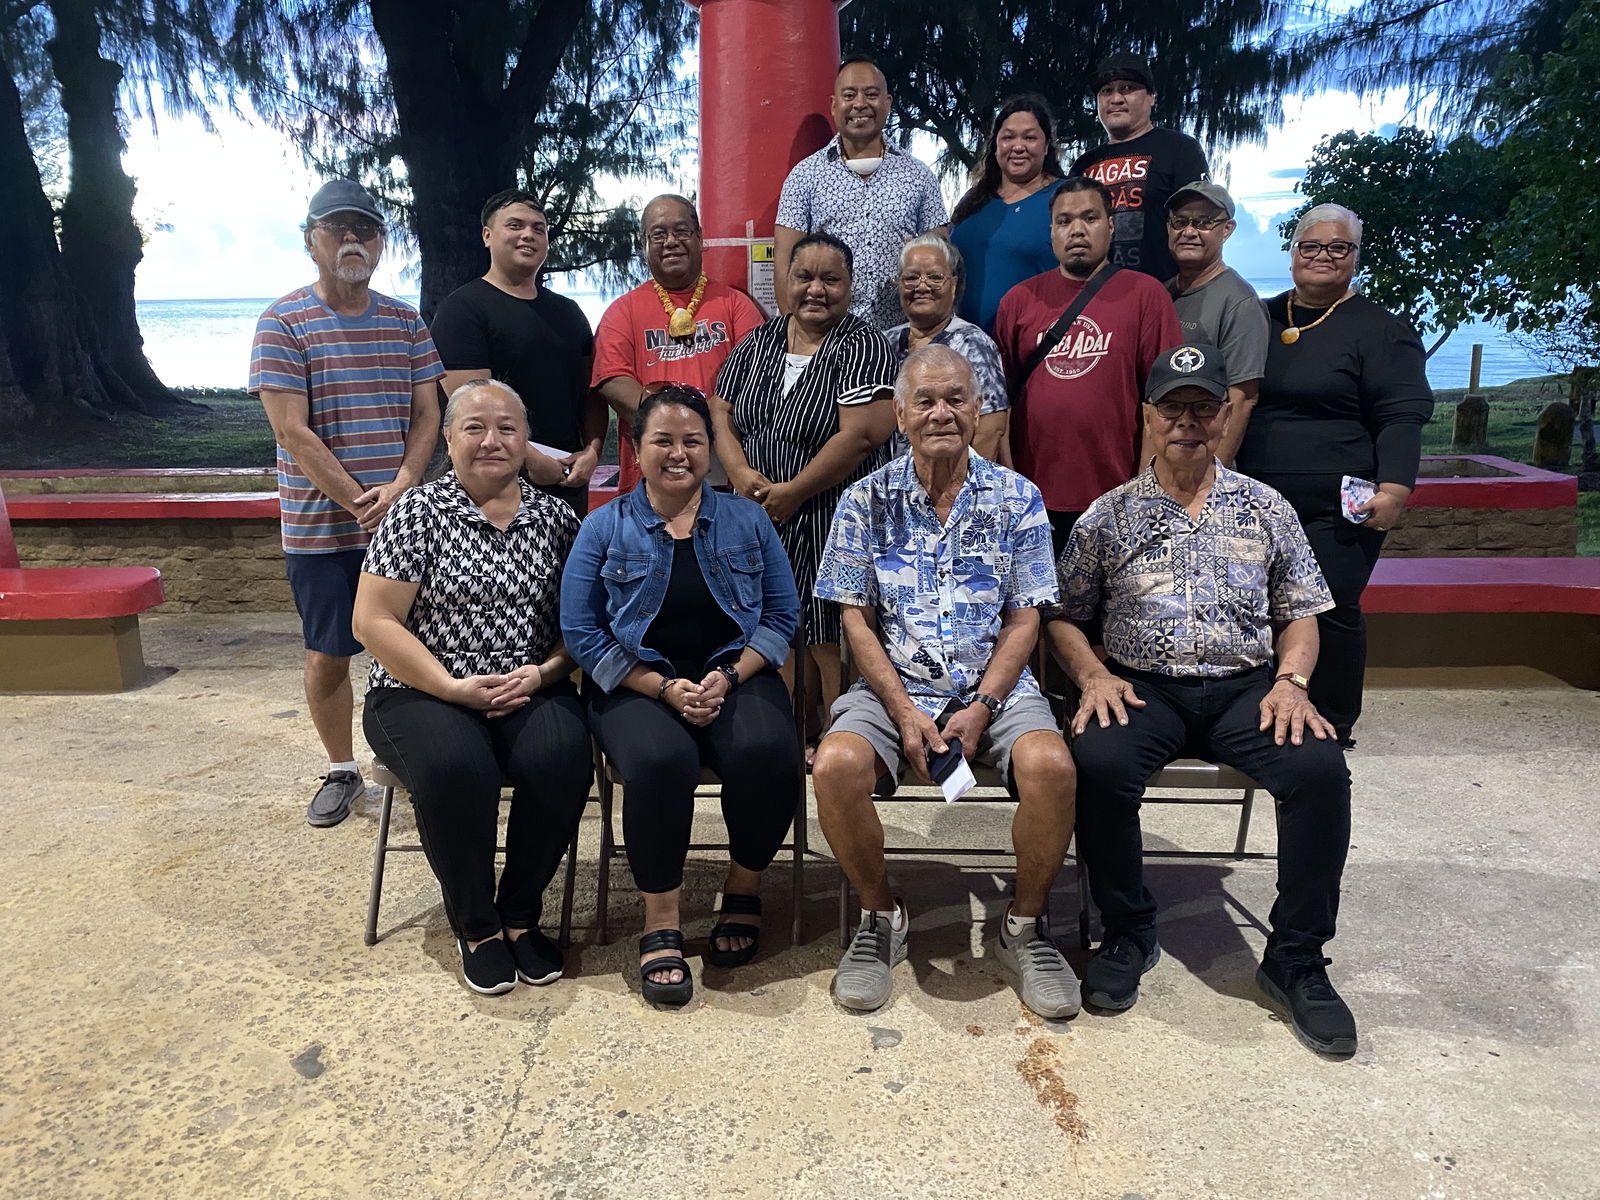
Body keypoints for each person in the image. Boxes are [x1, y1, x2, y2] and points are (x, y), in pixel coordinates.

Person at [1046, 342, 1357, 1056]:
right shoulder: (1108, 516)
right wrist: (1093, 677)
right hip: (1142, 688)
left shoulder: (1266, 507)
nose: (1186, 420)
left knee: (1319, 769)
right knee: (1097, 762)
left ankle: (1297, 957)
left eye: (1202, 407)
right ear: (1147, 415)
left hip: (1248, 688)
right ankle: (1128, 929)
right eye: (1172, 407)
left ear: (1224, 415)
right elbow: (1063, 615)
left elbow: (1302, 611)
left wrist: (1292, 683)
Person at [811, 345, 1079, 1018]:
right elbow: (856, 620)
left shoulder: (1018, 498)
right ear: (901, 416)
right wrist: (903, 711)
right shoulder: (863, 500)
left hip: (996, 687)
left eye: (956, 399)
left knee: (1052, 766)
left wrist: (984, 704)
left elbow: (1026, 618)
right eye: (925, 401)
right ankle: (881, 916)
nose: (941, 413)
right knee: (835, 766)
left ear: (978, 409)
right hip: (894, 686)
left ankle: (1025, 928)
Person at [560, 385, 803, 1006]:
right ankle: (661, 918)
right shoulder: (604, 527)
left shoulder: (748, 519)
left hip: (735, 672)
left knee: (766, 750)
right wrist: (663, 686)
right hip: (637, 679)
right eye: (662, 441)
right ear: (636, 448)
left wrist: (731, 676)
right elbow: (582, 632)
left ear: (709, 448)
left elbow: (782, 614)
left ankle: (743, 888)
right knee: (660, 761)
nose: (678, 453)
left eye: (692, 441)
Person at [354, 380, 591, 996]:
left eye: (507, 428)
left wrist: (544, 673)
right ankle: (478, 926)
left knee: (563, 758)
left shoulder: (558, 520)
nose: (492, 441)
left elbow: (582, 625)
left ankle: (519, 913)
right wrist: (450, 687)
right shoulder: (416, 513)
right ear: (450, 439)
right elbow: (373, 621)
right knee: (458, 768)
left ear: (526, 439)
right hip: (420, 686)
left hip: (527, 682)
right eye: (474, 428)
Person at [249, 179, 443, 829]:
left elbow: (428, 415)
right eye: (337, 228)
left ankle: (421, 760)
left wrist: (405, 485)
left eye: (366, 228)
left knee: (414, 647)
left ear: (382, 243)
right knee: (329, 653)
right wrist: (363, 503)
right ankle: (341, 769)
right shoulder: (283, 322)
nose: (353, 239)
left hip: (404, 521)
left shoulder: (406, 322)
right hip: (322, 530)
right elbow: (291, 431)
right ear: (311, 241)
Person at [1235, 203, 1434, 746]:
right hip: (1257, 500)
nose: (1322, 256)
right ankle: (1265, 712)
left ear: (1355, 256)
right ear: (1292, 253)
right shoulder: (1260, 318)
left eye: (1338, 247)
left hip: (1340, 504)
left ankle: (1333, 723)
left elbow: (1401, 415)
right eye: (1311, 245)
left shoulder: (1381, 330)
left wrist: (1395, 489)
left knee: (1329, 606)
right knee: (1257, 606)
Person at [711, 231, 898, 723]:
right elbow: (720, 409)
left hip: (833, 513)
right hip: (759, 511)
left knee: (830, 628)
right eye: (804, 277)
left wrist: (793, 491)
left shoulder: (864, 345)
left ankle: (844, 728)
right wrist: (739, 473)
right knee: (774, 619)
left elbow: (860, 436)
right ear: (786, 281)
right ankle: (793, 727)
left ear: (850, 285)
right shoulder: (760, 340)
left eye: (830, 279)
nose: (816, 289)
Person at [992, 177, 1181, 554]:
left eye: (1090, 218)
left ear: (1110, 226)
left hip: (1116, 497)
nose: (1077, 230)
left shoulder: (1146, 295)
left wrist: (1145, 491)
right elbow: (999, 405)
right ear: (1051, 232)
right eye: (1064, 221)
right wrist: (1009, 486)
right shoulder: (1019, 300)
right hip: (1032, 501)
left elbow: (1163, 402)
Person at [429, 189, 604, 514]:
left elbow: (591, 393)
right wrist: (529, 457)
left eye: (539, 228)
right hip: (490, 486)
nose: (528, 235)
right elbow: (471, 407)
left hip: (566, 483)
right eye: (515, 225)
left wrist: (592, 451)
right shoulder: (461, 311)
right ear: (487, 236)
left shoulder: (569, 312)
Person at [591, 194, 767, 493]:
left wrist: (705, 429)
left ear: (700, 238)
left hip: (725, 472)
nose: (671, 241)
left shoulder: (735, 304)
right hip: (648, 479)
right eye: (659, 234)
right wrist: (677, 429)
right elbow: (614, 382)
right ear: (644, 244)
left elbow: (757, 375)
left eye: (681, 231)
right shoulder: (621, 312)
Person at [775, 55, 948, 330]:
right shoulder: (803, 177)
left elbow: (941, 260)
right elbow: (785, 268)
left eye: (871, 94)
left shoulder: (919, 176)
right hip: (828, 338)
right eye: (849, 95)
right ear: (834, 105)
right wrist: (803, 340)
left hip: (902, 337)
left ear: (887, 103)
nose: (860, 104)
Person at [1069, 54, 1210, 284]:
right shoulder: (1083, 165)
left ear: (1151, 96)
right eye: (1106, 91)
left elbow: (1201, 226)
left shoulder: (1180, 149)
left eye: (1128, 88)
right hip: (1093, 294)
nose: (1116, 99)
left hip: (1166, 292)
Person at [1164, 181, 1269, 465]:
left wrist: (1213, 477)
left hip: (1201, 463)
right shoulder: (1161, 293)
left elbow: (1242, 399)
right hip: (1161, 461)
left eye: (1204, 222)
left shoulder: (1241, 302)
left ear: (1227, 229)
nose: (1189, 232)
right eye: (1180, 222)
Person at [884, 234, 1010, 463]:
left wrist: (963, 482)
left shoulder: (973, 343)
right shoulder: (884, 342)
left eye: (935, 277)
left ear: (954, 284)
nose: (922, 286)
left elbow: (990, 430)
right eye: (911, 277)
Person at [949, 94, 1065, 333]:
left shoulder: (1066, 198)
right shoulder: (974, 200)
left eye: (1030, 137)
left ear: (1046, 147)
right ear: (995, 146)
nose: (1018, 146)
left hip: (1035, 342)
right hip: (964, 345)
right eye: (1008, 137)